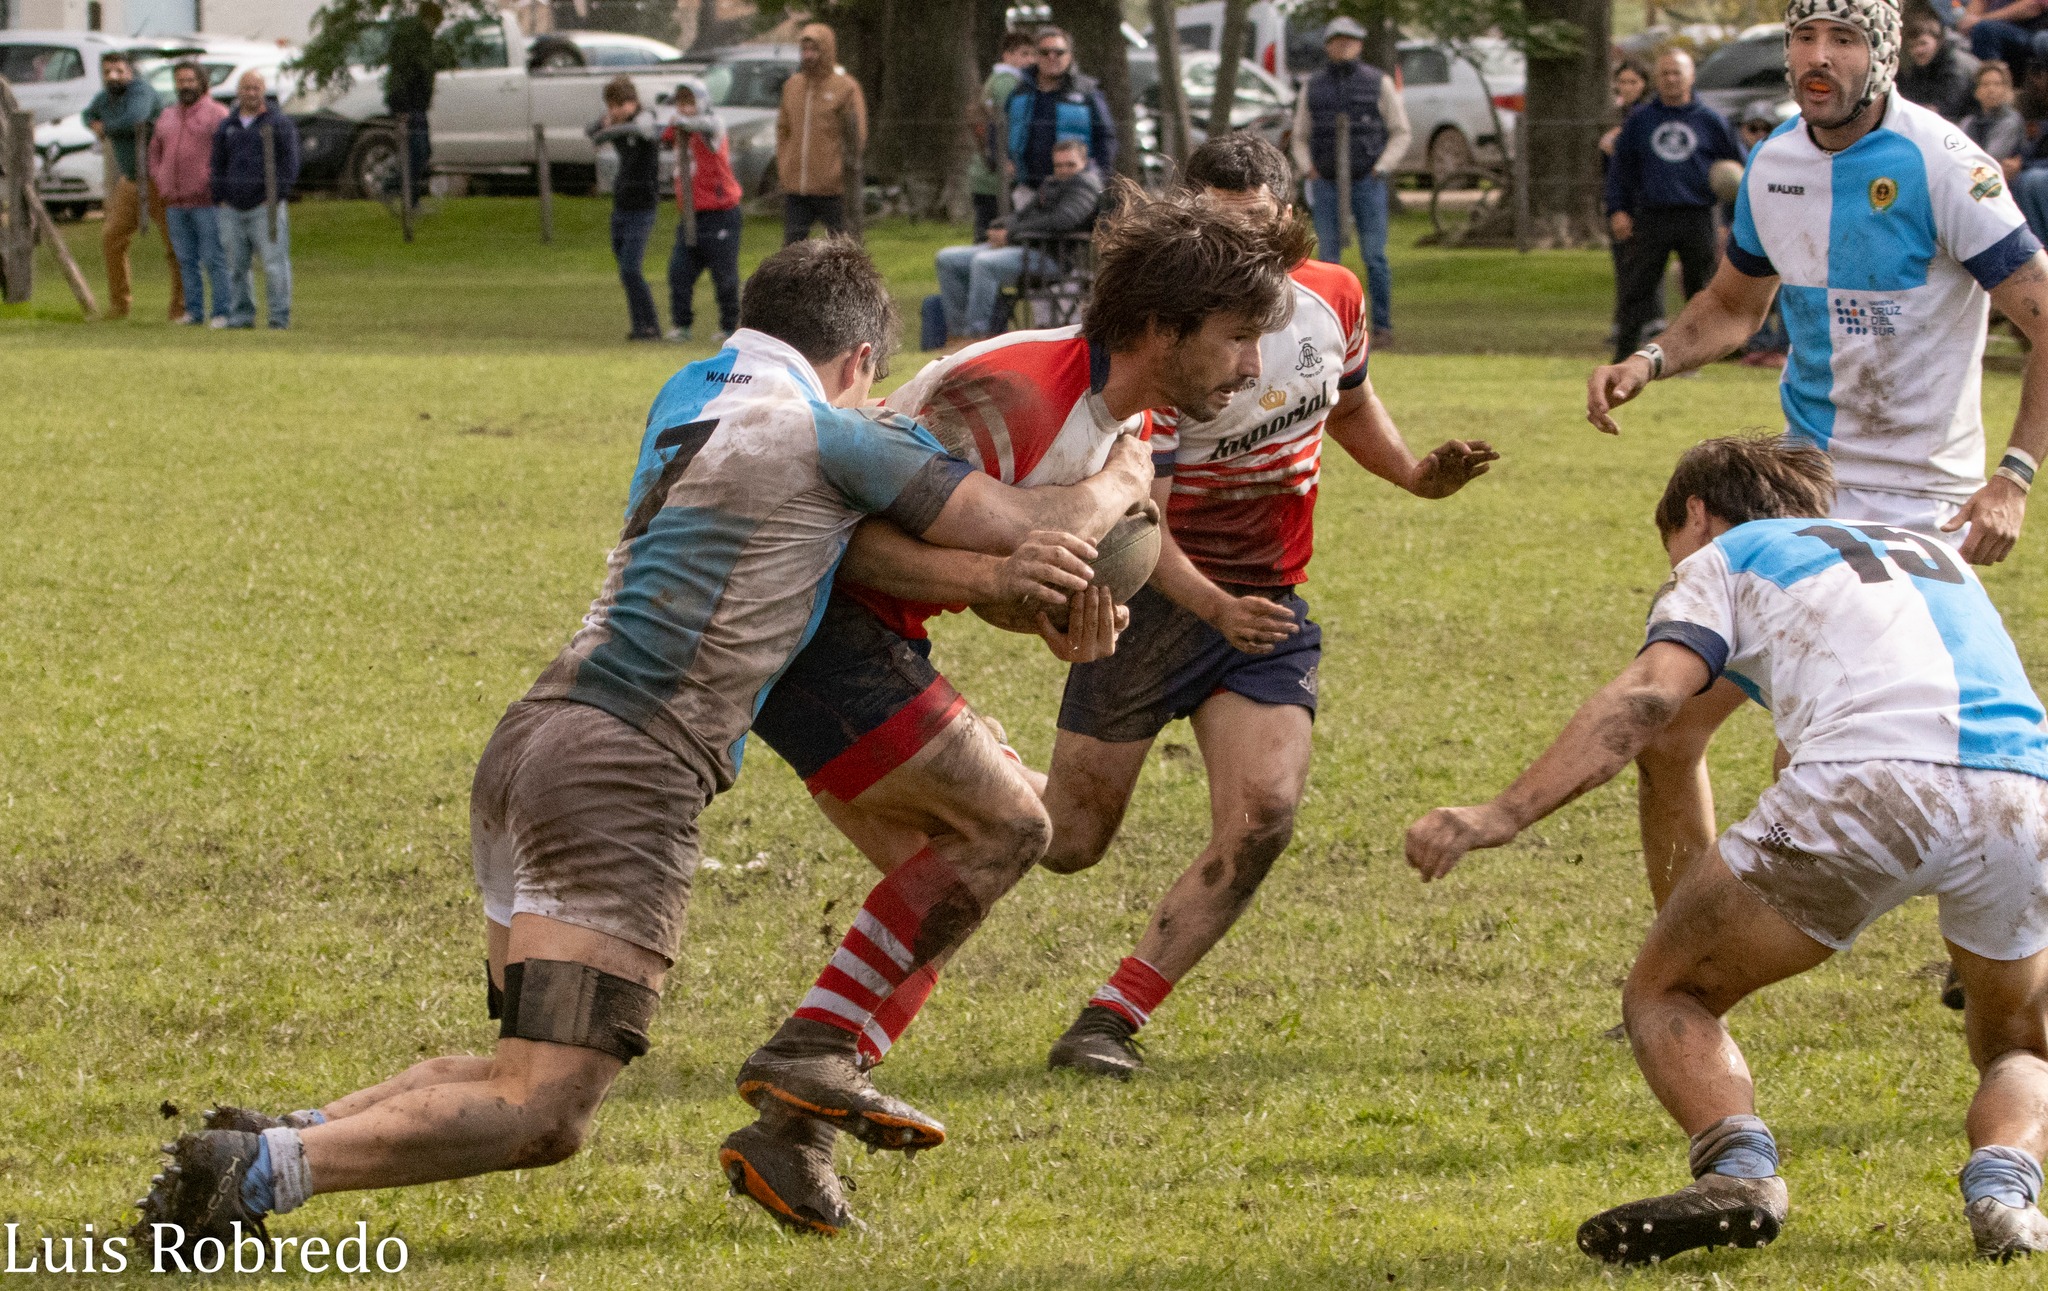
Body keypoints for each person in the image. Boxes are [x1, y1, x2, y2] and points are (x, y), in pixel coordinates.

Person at [129, 238, 1154, 1261]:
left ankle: (266, 1139)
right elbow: (1026, 523)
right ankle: (258, 1178)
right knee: (547, 1110)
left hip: (535, 737)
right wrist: (1121, 476)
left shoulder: (687, 390)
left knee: (514, 1067)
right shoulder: (831, 430)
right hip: (624, 768)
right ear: (858, 358)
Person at [724, 189, 1311, 1235]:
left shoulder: (1118, 423)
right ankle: (806, 1057)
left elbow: (992, 565)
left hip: (854, 639)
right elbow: (829, 526)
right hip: (815, 625)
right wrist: (999, 582)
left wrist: (1054, 618)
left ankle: (790, 1132)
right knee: (1010, 829)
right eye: (1234, 341)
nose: (1249, 369)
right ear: (1162, 330)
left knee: (939, 890)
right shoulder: (1017, 392)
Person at [1406, 435, 2048, 1266]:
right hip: (2024, 790)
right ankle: (2006, 1189)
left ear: (1698, 516)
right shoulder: (1923, 549)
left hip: (1867, 784)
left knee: (1666, 989)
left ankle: (1739, 1174)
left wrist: (1500, 813)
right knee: (2021, 1041)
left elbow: (1648, 699)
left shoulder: (1726, 554)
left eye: (1670, 546)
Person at [1588, 0, 2048, 1019]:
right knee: (1667, 725)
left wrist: (2012, 473)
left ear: (1879, 54)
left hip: (1918, 512)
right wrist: (1649, 358)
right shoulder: (1771, 165)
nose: (1816, 59)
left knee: (1890, 756)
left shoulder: (1943, 166)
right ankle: (1684, 966)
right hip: (1799, 499)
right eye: (1802, 39)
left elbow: (2041, 317)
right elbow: (1731, 306)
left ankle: (1997, 933)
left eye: (1841, 41)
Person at [1034, 133, 1497, 1079]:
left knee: (1264, 817)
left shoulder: (1334, 296)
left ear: (1283, 216)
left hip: (1263, 609)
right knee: (1068, 842)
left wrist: (1413, 475)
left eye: (1252, 230)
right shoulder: (1164, 335)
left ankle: (1110, 1018)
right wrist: (1211, 606)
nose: (1235, 255)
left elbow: (1350, 402)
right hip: (1153, 602)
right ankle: (975, 763)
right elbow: (1133, 512)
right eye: (1213, 229)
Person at [1604, 47, 1744, 364]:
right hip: (1652, 215)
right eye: (1664, 73)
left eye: (1676, 73)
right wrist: (1618, 209)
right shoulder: (1641, 120)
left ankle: (1700, 354)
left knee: (1701, 290)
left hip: (1697, 215)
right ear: (1656, 78)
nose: (1670, 79)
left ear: (1691, 77)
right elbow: (1621, 169)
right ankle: (1624, 352)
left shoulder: (1711, 122)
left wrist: (1730, 218)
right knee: (1637, 287)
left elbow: (1738, 170)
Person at [1291, 16, 1409, 347]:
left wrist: (1382, 167)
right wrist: (1307, 167)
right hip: (1326, 182)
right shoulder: (1313, 86)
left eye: (1349, 40)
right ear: (1327, 45)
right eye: (1337, 40)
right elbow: (1300, 135)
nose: (1343, 46)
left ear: (1359, 44)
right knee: (1327, 259)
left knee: (1375, 256)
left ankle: (1382, 326)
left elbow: (1401, 131)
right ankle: (1330, 329)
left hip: (1367, 181)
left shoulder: (1378, 82)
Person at [933, 137, 1100, 343]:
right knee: (947, 259)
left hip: (1051, 258)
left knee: (984, 263)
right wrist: (1001, 227)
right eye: (1059, 165)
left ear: (1084, 163)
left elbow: (1063, 221)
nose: (1064, 170)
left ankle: (976, 336)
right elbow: (1023, 215)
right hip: (1024, 248)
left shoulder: (1084, 185)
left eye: (1070, 165)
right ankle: (957, 335)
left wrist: (1011, 234)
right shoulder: (1051, 183)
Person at [211, 71, 300, 331]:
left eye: (256, 88)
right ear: (238, 91)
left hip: (266, 207)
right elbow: (217, 164)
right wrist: (220, 198)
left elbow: (290, 164)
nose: (250, 93)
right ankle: (241, 316)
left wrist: (276, 196)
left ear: (263, 91)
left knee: (274, 264)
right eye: (246, 88)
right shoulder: (228, 126)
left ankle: (278, 318)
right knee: (236, 267)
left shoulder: (278, 123)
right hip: (231, 208)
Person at [81, 51, 164, 323]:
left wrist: (105, 129)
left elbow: (135, 118)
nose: (113, 76)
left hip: (158, 179)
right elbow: (87, 113)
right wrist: (95, 123)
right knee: (112, 238)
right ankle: (119, 306)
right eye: (107, 72)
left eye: (119, 71)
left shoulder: (141, 91)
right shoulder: (106, 96)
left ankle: (182, 307)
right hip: (130, 179)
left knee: (175, 245)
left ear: (130, 71)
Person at [660, 76, 744, 344]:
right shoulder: (679, 129)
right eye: (680, 103)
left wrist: (682, 121)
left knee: (724, 276)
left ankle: (731, 327)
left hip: (720, 213)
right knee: (679, 272)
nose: (684, 108)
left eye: (690, 102)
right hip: (690, 216)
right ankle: (681, 325)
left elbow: (705, 125)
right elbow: (661, 135)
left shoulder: (713, 125)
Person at [149, 60, 228, 328]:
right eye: (180, 81)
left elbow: (228, 154)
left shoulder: (217, 114)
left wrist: (214, 181)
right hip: (174, 201)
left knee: (215, 258)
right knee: (185, 260)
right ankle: (193, 312)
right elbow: (154, 151)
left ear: (202, 82)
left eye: (190, 80)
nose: (184, 86)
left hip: (207, 202)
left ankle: (222, 311)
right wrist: (160, 178)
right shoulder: (167, 115)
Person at [776, 22, 867, 245]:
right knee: (792, 250)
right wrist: (785, 167)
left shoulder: (844, 87)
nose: (808, 56)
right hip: (797, 188)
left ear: (826, 50)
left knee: (842, 247)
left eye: (814, 49)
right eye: (804, 50)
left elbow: (856, 136)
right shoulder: (792, 87)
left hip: (833, 189)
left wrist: (840, 170)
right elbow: (783, 131)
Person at [587, 76, 662, 342]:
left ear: (631, 103)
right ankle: (639, 326)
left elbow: (644, 131)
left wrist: (610, 130)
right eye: (610, 107)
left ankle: (651, 325)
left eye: (617, 106)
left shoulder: (645, 118)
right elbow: (591, 132)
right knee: (625, 270)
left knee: (631, 267)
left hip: (642, 205)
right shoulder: (616, 120)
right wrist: (603, 124)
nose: (613, 112)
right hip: (621, 204)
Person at [1004, 25, 1117, 192]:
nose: (1052, 57)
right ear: (1035, 56)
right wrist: (1004, 160)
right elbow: (999, 130)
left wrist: (1098, 175)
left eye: (1059, 52)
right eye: (1044, 52)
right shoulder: (1019, 92)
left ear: (1069, 56)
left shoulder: (1086, 92)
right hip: (1027, 187)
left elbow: (1106, 138)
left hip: (1075, 188)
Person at [969, 29, 1036, 242]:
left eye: (1033, 54)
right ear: (1007, 55)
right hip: (994, 176)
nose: (1030, 60)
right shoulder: (1008, 82)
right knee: (992, 234)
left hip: (985, 173)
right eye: (1024, 54)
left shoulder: (997, 79)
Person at [382, 0, 442, 208]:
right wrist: (402, 107)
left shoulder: (419, 38)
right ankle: (394, 188)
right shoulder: (413, 40)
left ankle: (409, 198)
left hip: (416, 105)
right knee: (417, 152)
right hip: (409, 105)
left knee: (420, 152)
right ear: (429, 20)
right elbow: (405, 76)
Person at [1900, 10, 1982, 120]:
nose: (1918, 50)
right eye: (1912, 46)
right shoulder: (1919, 68)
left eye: (1923, 43)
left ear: (1938, 42)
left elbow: (1946, 107)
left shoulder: (1955, 64)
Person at [1961, 0, 2048, 84]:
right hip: (1996, 28)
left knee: (1984, 29)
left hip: (2032, 31)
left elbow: (2032, 6)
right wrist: (1968, 23)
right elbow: (1976, 7)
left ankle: (1997, 85)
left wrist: (1981, 20)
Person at [1963, 59, 2026, 171]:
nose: (1991, 89)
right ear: (1977, 91)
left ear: (2006, 89)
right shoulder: (1969, 121)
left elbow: (1990, 159)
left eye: (1997, 84)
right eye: (1985, 84)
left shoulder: (2010, 121)